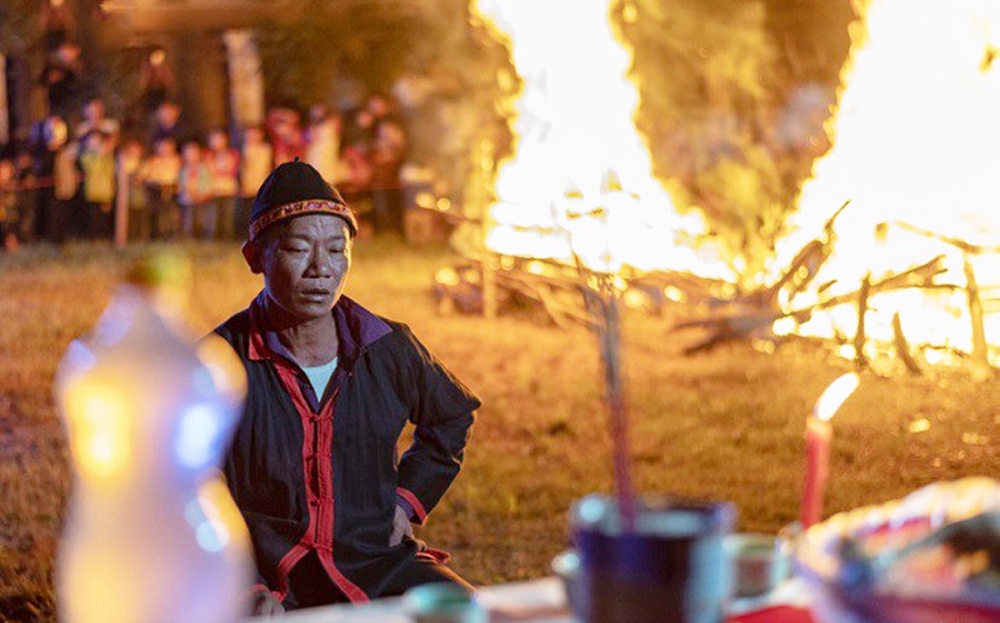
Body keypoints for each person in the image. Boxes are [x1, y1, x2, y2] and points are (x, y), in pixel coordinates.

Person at [214, 160, 479, 615]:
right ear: (255, 257)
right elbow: (190, 483)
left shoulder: (386, 347)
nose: (321, 268)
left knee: (469, 612)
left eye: (337, 250)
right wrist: (244, 586)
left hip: (376, 562)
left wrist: (405, 503)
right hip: (270, 575)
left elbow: (451, 414)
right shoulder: (220, 363)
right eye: (299, 249)